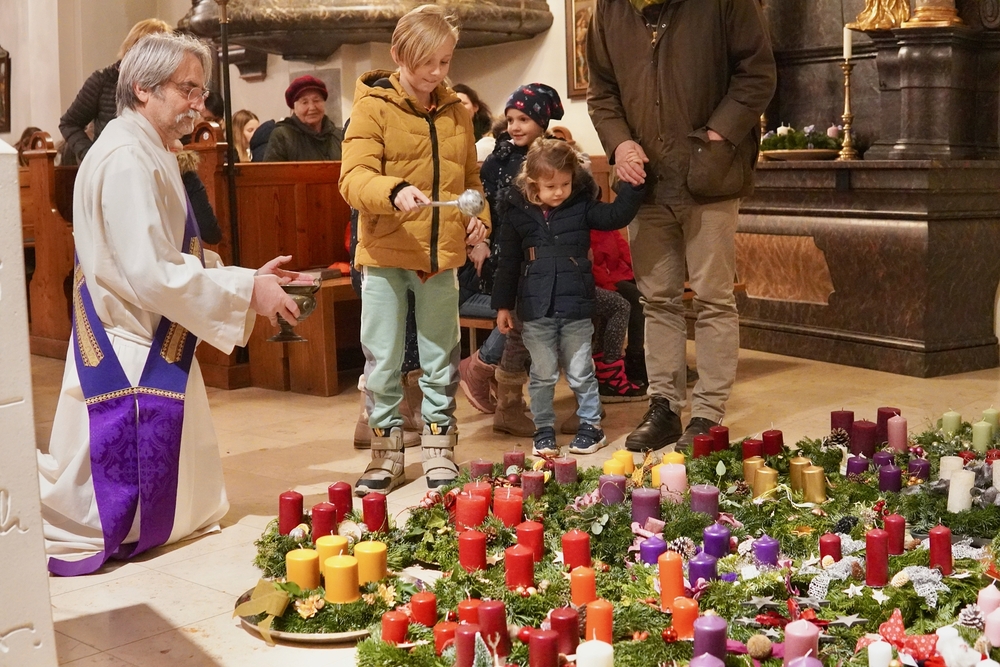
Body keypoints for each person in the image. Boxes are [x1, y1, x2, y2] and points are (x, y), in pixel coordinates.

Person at [37, 32, 308, 576]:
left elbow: (171, 252)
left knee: (174, 493)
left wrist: (243, 278)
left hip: (141, 331)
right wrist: (246, 292)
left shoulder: (144, 147)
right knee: (102, 503)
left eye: (200, 91)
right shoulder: (126, 158)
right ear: (143, 88)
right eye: (187, 89)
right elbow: (151, 271)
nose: (198, 104)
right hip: (132, 345)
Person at [587, 0, 776, 452]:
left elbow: (757, 73)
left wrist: (718, 133)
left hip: (710, 175)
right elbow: (602, 92)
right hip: (645, 182)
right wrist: (620, 144)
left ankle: (708, 412)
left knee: (712, 298)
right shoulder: (609, 8)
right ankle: (664, 408)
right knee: (657, 301)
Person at [339, 4, 489, 494]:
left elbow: (471, 182)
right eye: (426, 61)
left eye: (444, 61)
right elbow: (353, 179)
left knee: (440, 357)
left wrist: (479, 220)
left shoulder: (456, 112)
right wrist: (393, 189)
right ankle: (385, 454)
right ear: (398, 55)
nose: (436, 72)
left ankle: (440, 449)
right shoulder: (372, 107)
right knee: (383, 360)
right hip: (386, 253)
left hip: (439, 257)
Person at [492, 139, 644, 456]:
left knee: (581, 371)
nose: (559, 192)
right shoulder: (517, 213)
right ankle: (544, 431)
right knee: (542, 374)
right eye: (550, 186)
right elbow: (507, 262)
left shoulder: (581, 206)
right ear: (533, 182)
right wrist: (503, 305)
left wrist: (633, 185)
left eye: (565, 184)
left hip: (576, 307)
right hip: (536, 308)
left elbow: (616, 215)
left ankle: (591, 427)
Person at [460, 83, 564, 438]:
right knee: (519, 319)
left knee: (533, 320)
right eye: (510, 120)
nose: (515, 127)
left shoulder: (555, 155)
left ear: (542, 121)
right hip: (507, 254)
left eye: (523, 119)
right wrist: (481, 241)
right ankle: (492, 382)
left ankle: (494, 380)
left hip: (545, 254)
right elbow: (482, 204)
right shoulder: (499, 159)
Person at [59, 18, 172, 162]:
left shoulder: (167, 86)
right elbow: (69, 123)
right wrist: (92, 156)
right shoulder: (103, 80)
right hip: (112, 163)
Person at [264, 75, 343, 162]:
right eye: (304, 102)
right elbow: (272, 170)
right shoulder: (282, 136)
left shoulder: (338, 136)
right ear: (294, 108)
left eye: (316, 100)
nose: (312, 107)